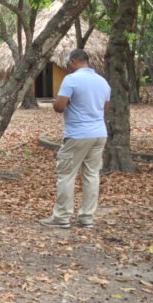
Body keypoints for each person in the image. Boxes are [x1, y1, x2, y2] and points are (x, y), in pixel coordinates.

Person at [41, 49, 110, 229]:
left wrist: (57, 102)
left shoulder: (71, 80)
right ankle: (87, 217)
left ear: (73, 61)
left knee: (66, 174)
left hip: (78, 134)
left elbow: (60, 107)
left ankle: (62, 216)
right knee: (92, 175)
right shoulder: (103, 82)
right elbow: (105, 108)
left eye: (68, 63)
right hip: (99, 133)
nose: (67, 66)